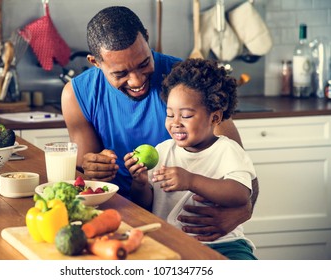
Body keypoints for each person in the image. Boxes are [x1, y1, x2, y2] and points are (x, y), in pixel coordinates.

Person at [61, 6, 259, 242]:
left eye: (144, 63)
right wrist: (92, 168)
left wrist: (242, 212)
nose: (137, 80)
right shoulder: (77, 94)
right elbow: (86, 181)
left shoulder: (186, 83)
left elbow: (244, 174)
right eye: (121, 73)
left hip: (190, 230)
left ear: (146, 37)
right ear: (95, 62)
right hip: (114, 220)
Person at [124, 59, 257, 259]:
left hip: (223, 244)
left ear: (215, 118)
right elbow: (145, 205)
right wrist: (140, 184)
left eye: (185, 116)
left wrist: (191, 180)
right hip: (170, 242)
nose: (175, 123)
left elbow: (240, 195)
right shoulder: (163, 151)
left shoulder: (228, 150)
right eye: (170, 115)